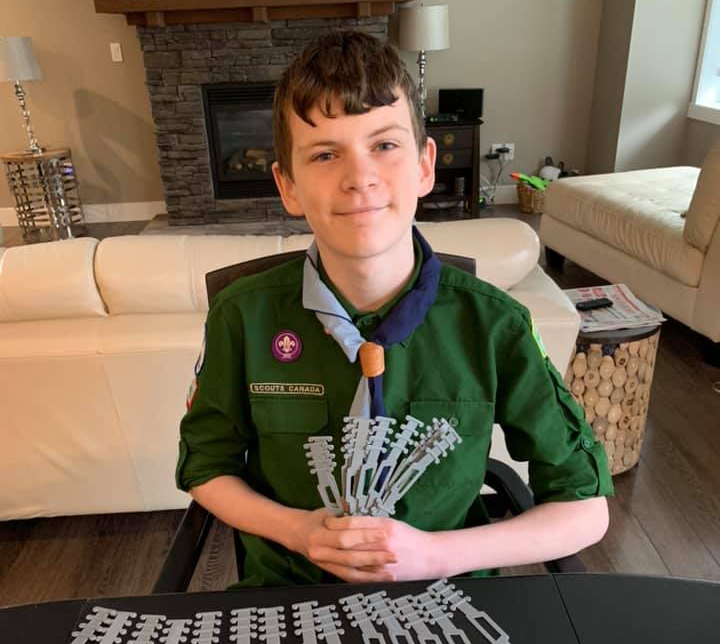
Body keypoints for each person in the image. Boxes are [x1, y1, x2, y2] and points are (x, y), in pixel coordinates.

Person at [176, 30, 611, 588]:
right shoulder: (241, 318)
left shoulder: (496, 325)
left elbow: (586, 507)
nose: (360, 178)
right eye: (325, 154)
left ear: (425, 166)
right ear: (288, 187)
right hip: (287, 600)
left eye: (384, 145)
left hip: (449, 602)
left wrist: (434, 555)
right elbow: (205, 466)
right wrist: (295, 530)